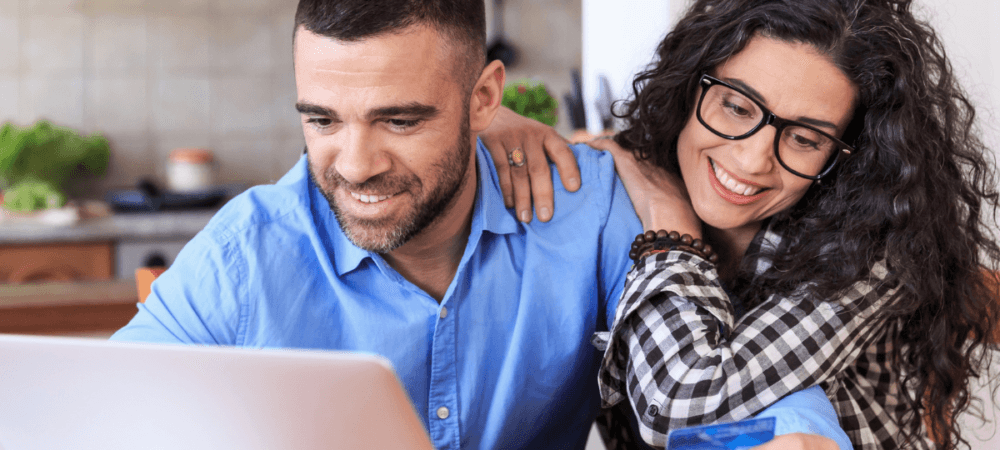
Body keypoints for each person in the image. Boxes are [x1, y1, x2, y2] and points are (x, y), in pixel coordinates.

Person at [113, 0, 853, 448]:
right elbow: (106, 414)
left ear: (484, 98)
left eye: (399, 119)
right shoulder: (246, 252)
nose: (356, 164)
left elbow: (738, 393)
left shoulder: (588, 212)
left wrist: (791, 435)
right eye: (322, 120)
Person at [485, 0, 1000, 449]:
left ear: (846, 157)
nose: (753, 160)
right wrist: (494, 121)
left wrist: (672, 230)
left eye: (805, 138)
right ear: (690, 85)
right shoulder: (630, 182)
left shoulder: (872, 249)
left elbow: (678, 402)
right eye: (736, 106)